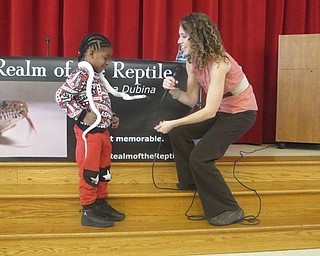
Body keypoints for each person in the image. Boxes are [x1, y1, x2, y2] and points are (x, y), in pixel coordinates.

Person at [154, 13, 258, 226]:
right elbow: (191, 99)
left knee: (200, 158)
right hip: (222, 111)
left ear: (197, 37)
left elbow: (209, 111)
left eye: (183, 36)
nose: (178, 42)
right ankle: (190, 182)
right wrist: (174, 91)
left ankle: (230, 209)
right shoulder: (192, 62)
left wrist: (172, 122)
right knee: (179, 133)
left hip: (241, 113)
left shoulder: (220, 62)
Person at [55, 33, 125, 228]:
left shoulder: (97, 77)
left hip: (103, 133)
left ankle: (100, 204)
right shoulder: (80, 75)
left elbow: (100, 102)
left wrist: (111, 117)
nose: (108, 62)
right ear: (92, 53)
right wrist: (81, 115)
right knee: (90, 171)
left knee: (103, 170)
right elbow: (61, 96)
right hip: (89, 135)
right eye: (106, 57)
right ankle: (88, 209)